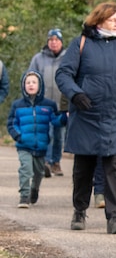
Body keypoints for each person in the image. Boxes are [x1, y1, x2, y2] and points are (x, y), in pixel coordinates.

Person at [57, 2, 116, 234]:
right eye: (113, 19)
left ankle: (114, 217)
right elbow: (64, 74)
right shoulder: (82, 43)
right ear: (99, 21)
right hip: (86, 115)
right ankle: (79, 211)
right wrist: (75, 94)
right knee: (83, 168)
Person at [8, 72, 66, 207]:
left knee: (39, 172)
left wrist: (64, 117)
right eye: (28, 82)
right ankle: (24, 196)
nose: (31, 85)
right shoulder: (17, 105)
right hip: (24, 144)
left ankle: (34, 189)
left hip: (41, 145)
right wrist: (18, 136)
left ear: (40, 86)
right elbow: (11, 123)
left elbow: (56, 122)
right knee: (25, 169)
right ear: (23, 86)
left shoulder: (49, 105)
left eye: (34, 82)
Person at [28, 29, 67, 176]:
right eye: (51, 40)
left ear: (61, 42)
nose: (53, 42)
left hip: (61, 105)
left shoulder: (67, 58)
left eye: (56, 40)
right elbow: (31, 78)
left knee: (59, 136)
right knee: (46, 134)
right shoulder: (38, 59)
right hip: (43, 104)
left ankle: (55, 162)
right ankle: (45, 162)